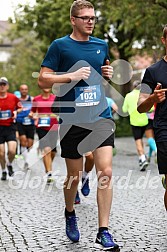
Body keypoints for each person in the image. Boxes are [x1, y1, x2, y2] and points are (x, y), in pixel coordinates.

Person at [38, 1, 120, 251]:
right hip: (73, 120)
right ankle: (70, 212)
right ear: (73, 20)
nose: (90, 21)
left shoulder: (101, 45)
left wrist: (107, 73)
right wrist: (70, 76)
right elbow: (43, 80)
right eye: (85, 18)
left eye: (93, 18)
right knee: (73, 177)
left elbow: (101, 75)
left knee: (105, 172)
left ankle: (103, 230)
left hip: (100, 117)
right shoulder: (60, 46)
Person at [137, 24, 167, 210]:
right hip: (165, 128)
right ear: (164, 40)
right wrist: (153, 98)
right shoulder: (153, 72)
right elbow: (140, 107)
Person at [29, 88, 59, 184]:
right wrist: (32, 115)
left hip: (53, 127)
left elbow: (60, 110)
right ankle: (49, 173)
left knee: (53, 152)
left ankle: (48, 167)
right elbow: (32, 112)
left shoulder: (55, 98)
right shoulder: (36, 99)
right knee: (47, 150)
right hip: (41, 127)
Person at [122, 80, 152, 171]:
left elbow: (124, 110)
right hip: (145, 120)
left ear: (133, 86)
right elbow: (151, 109)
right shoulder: (144, 95)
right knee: (147, 139)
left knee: (138, 140)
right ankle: (144, 156)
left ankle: (142, 158)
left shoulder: (128, 96)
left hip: (135, 122)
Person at [0, 77, 22, 180]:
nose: (2, 86)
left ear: (7, 86)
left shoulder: (13, 97)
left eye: (4, 84)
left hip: (10, 127)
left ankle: (9, 164)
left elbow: (20, 107)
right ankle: (4, 170)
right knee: (1, 152)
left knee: (12, 151)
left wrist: (16, 112)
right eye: (0, 84)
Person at [16, 84, 35, 169]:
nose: (24, 91)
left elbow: (36, 109)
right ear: (20, 90)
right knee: (23, 141)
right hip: (20, 122)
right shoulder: (17, 100)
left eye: (25, 89)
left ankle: (25, 154)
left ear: (27, 90)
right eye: (22, 89)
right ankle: (26, 161)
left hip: (30, 123)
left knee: (30, 144)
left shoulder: (32, 99)